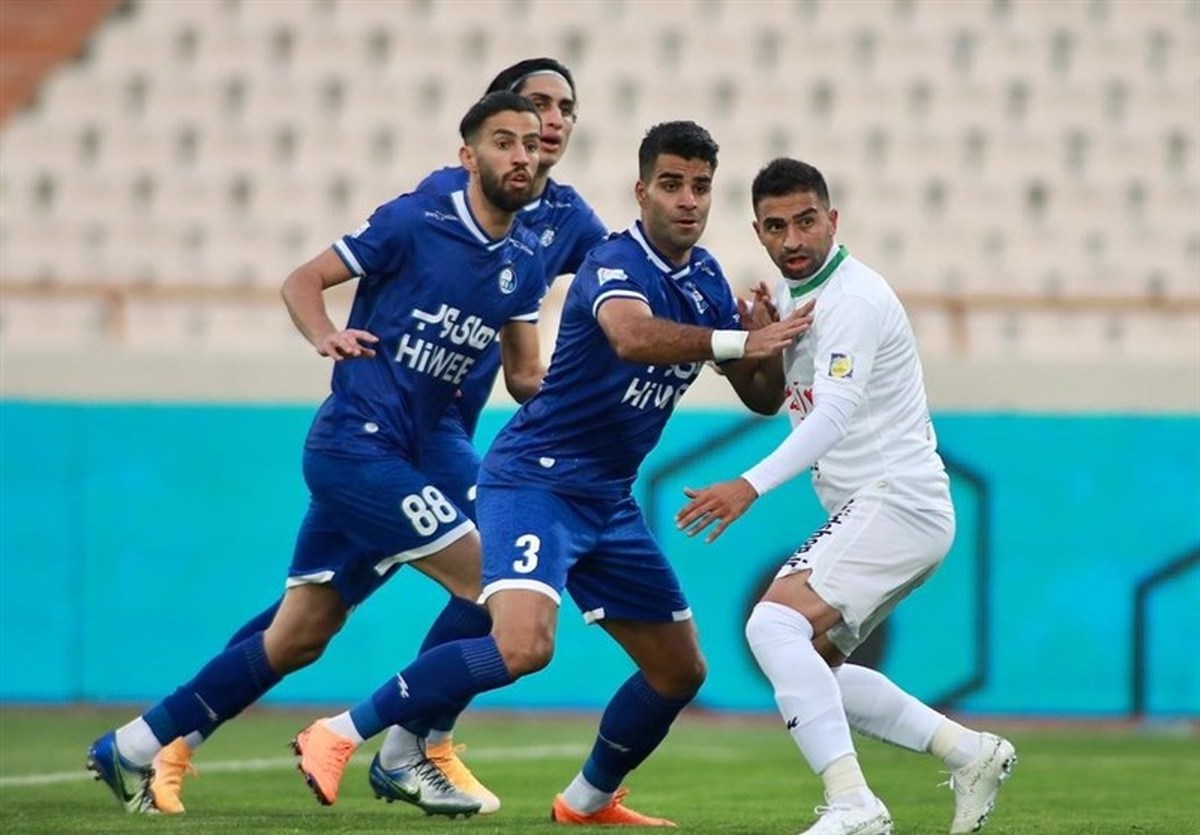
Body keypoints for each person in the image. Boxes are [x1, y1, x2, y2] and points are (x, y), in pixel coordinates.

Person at [289, 120, 814, 825]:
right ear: (642, 192)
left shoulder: (706, 279)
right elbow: (631, 336)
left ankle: (587, 801)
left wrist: (764, 343)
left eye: (700, 186)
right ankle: (339, 732)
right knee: (522, 645)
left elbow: (761, 397)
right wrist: (738, 340)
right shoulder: (613, 261)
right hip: (535, 480)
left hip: (606, 499)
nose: (688, 199)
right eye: (671, 184)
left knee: (679, 670)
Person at [146, 57, 605, 818]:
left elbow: (578, 325)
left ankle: (153, 740)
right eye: (532, 108)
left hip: (437, 436)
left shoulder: (563, 224)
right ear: (483, 136)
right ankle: (407, 743)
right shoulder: (435, 206)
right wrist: (325, 332)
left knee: (305, 626)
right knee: (487, 582)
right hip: (383, 437)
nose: (548, 122)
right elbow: (319, 276)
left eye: (563, 109)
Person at [676, 158, 1016, 835]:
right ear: (759, 232)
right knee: (813, 668)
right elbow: (773, 398)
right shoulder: (792, 295)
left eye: (806, 221)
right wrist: (757, 346)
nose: (793, 238)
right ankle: (968, 752)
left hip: (895, 499)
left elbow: (831, 415)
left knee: (772, 627)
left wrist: (748, 485)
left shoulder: (853, 299)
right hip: (885, 507)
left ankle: (854, 804)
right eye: (777, 226)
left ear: (833, 220)